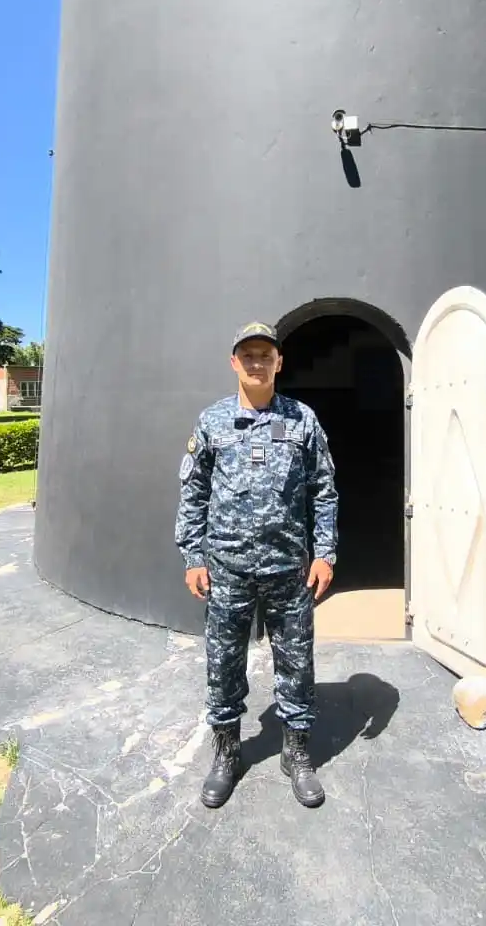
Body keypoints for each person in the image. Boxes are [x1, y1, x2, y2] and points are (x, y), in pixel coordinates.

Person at [174, 321, 339, 809]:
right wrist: (194, 556)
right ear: (234, 362)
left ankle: (297, 751)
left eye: (265, 355)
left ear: (278, 362)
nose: (256, 363)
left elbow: (324, 490)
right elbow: (194, 491)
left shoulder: (302, 420)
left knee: (296, 663)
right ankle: (227, 752)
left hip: (289, 570)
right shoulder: (212, 422)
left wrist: (325, 552)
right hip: (227, 569)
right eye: (247, 355)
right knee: (224, 663)